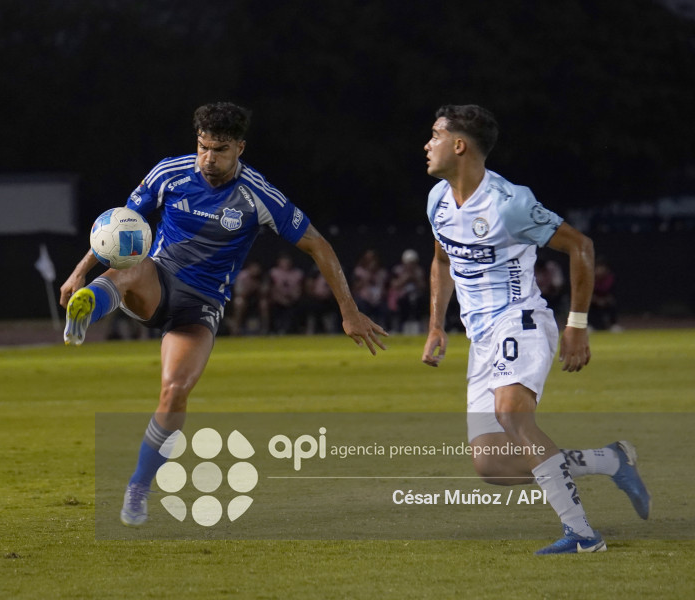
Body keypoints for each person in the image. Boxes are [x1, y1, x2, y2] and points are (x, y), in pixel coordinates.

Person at [59, 102, 387, 527]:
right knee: (131, 263)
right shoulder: (169, 173)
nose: (208, 159)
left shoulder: (258, 195)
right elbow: (119, 228)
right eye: (202, 147)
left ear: (240, 148)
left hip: (200, 306)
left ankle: (139, 485)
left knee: (174, 392)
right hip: (156, 281)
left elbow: (317, 244)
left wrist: (350, 311)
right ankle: (87, 308)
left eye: (219, 150)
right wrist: (78, 272)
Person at [420, 104, 650, 555]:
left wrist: (577, 325)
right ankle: (610, 459)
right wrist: (435, 325)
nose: (427, 144)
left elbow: (581, 246)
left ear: (460, 145)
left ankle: (583, 535)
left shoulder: (510, 204)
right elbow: (442, 260)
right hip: (480, 339)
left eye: (435, 135)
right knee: (490, 464)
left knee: (513, 416)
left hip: (520, 319)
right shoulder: (438, 200)